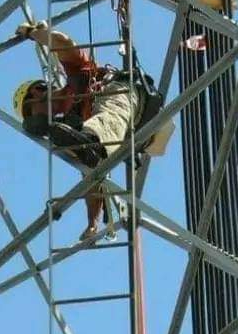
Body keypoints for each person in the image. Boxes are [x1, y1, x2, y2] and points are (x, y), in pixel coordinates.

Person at [12, 19, 164, 238]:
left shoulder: (77, 73)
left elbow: (63, 42)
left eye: (31, 111)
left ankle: (92, 143)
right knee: (87, 153)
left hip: (123, 95)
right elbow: (91, 175)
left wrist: (34, 34)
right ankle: (91, 145)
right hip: (124, 134)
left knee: (101, 119)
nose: (36, 115)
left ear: (37, 91)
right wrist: (93, 223)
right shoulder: (71, 126)